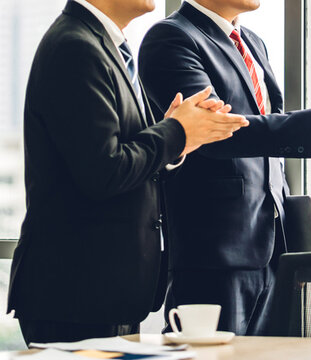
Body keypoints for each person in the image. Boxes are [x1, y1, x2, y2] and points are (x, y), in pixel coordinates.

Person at [138, 0, 311, 336]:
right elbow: (217, 132)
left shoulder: (253, 43)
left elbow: (269, 130)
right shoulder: (171, 38)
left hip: (274, 245)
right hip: (214, 253)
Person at [8, 0, 250, 344]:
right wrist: (175, 131)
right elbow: (104, 171)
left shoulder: (103, 46)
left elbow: (122, 159)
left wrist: (177, 139)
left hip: (102, 293)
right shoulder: (75, 47)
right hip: (75, 293)